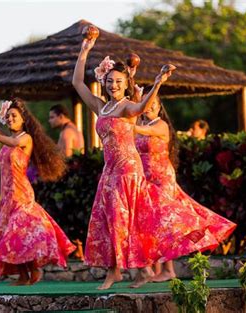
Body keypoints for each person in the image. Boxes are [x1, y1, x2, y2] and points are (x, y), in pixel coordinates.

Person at [72, 30, 174, 289]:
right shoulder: (102, 107)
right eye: (109, 81)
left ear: (125, 84)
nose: (113, 85)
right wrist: (85, 49)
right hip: (110, 169)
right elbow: (78, 84)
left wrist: (158, 82)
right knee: (108, 218)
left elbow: (141, 109)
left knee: (124, 217)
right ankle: (120, 270)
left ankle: (128, 271)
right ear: (104, 84)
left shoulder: (128, 107)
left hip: (128, 169)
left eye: (118, 81)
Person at [0, 75, 75, 286]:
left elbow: (10, 140)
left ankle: (32, 270)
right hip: (7, 195)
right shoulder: (6, 137)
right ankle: (25, 275)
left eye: (14, 116)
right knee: (10, 236)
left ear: (23, 119)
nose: (9, 119)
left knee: (17, 234)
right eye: (7, 116)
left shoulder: (24, 138)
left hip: (21, 194)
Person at [135, 96, 237, 282]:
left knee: (167, 221)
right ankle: (160, 270)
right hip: (145, 179)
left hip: (161, 178)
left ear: (159, 108)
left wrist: (120, 122)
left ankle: (168, 270)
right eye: (146, 105)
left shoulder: (160, 126)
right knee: (152, 223)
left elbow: (137, 128)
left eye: (153, 105)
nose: (148, 108)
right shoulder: (140, 123)